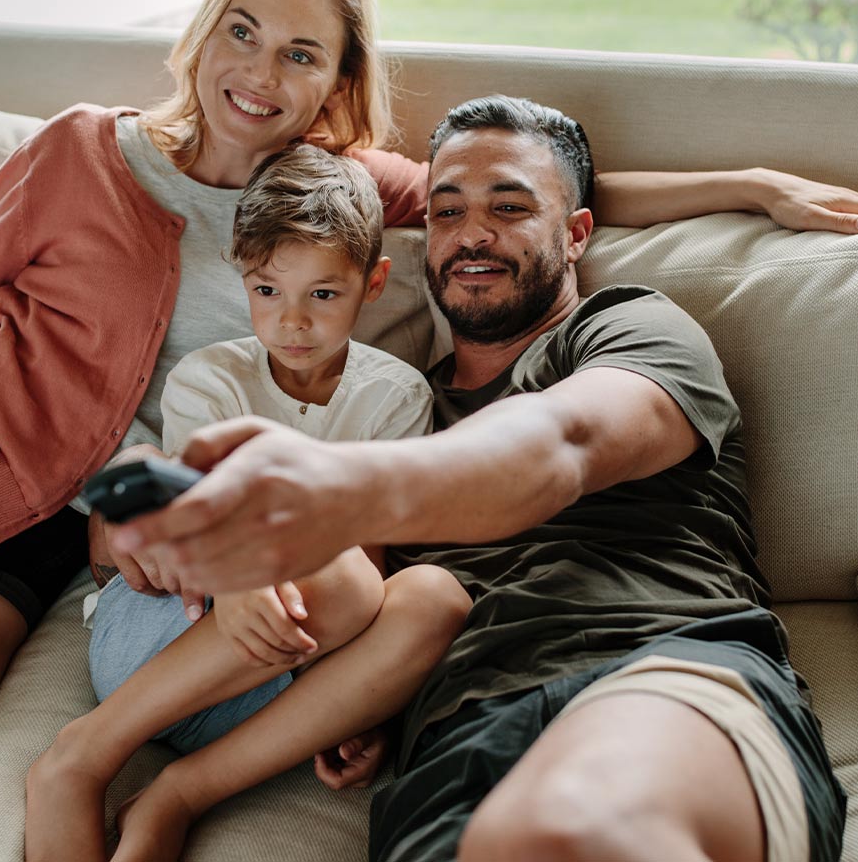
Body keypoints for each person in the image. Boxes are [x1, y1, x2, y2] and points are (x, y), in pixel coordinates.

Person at [0, 0, 853, 834]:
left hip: (15, 544)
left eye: (299, 53)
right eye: (241, 31)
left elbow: (532, 192)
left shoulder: (348, 190)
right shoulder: (83, 149)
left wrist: (749, 185)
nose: (260, 71)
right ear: (201, 35)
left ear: (333, 85)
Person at [111, 95, 846, 862]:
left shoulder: (628, 328)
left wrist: (335, 483)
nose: (471, 233)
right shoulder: (393, 407)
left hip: (654, 666)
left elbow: (558, 444)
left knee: (567, 827)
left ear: (575, 234)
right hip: (452, 742)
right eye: (446, 210)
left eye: (509, 206)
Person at [25, 143, 470, 861]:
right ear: (243, 281)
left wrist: (362, 701)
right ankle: (81, 755)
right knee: (322, 559)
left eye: (322, 294)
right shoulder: (210, 379)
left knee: (435, 597)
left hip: (280, 675)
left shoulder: (395, 396)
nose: (291, 322)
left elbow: (368, 577)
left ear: (374, 281)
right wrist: (241, 578)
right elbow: (202, 523)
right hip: (167, 633)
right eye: (268, 291)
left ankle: (179, 792)